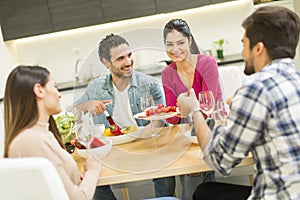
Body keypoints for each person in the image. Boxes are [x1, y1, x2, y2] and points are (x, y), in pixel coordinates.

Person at [177, 6, 300, 200]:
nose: (242, 52)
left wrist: (194, 111)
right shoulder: (294, 79)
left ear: (258, 48)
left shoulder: (256, 88)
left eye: (244, 44)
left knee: (203, 193)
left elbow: (219, 160)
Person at [72, 33, 176, 199]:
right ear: (106, 63)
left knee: (164, 166)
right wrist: (87, 106)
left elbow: (160, 120)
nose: (128, 62)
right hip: (112, 151)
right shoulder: (95, 88)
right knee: (90, 175)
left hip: (145, 145)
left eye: (129, 55)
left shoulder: (149, 84)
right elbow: (72, 112)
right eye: (120, 58)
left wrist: (142, 134)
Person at [4, 65, 102, 200]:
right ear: (39, 90)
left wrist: (71, 176)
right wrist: (92, 170)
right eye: (54, 87)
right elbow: (78, 198)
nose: (59, 94)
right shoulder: (31, 141)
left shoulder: (42, 134)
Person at [162, 18, 222, 200]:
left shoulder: (207, 63)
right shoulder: (167, 73)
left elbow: (208, 106)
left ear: (190, 40)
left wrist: (186, 107)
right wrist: (169, 111)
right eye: (169, 44)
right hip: (186, 133)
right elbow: (172, 119)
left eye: (180, 42)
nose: (175, 49)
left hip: (212, 126)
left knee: (195, 170)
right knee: (183, 167)